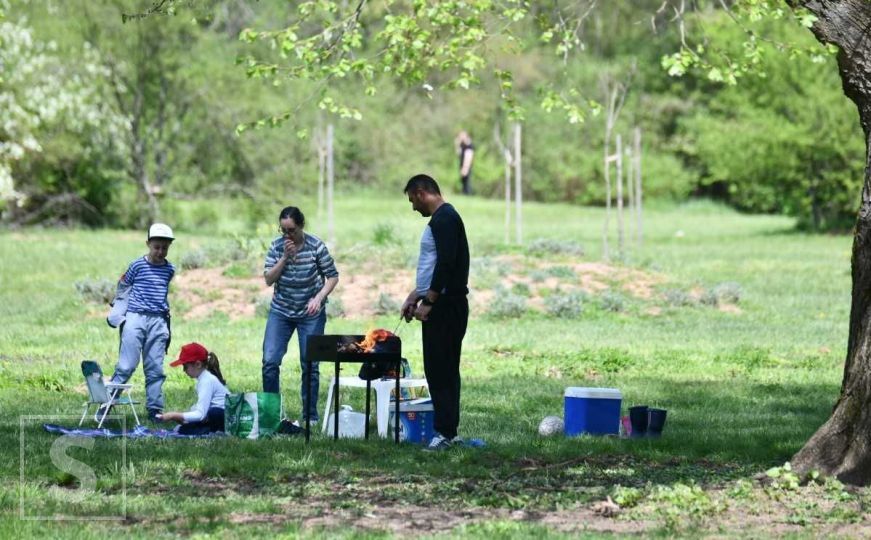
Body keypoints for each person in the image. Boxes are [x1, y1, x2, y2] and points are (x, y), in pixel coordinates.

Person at [401, 174, 470, 451]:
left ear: (421, 193)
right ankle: (449, 431)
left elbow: (446, 264)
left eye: (412, 201)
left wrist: (428, 301)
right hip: (441, 301)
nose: (413, 207)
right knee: (442, 368)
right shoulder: (443, 219)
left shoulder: (444, 219)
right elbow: (432, 266)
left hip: (445, 306)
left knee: (441, 369)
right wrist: (415, 294)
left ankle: (443, 433)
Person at [262, 206, 339, 424]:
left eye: (292, 230)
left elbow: (332, 276)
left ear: (301, 226)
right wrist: (285, 257)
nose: (288, 235)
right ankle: (271, 415)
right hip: (281, 310)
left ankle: (310, 416)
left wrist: (319, 298)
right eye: (283, 231)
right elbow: (268, 279)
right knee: (270, 361)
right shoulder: (277, 247)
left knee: (310, 363)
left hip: (310, 313)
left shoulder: (316, 246)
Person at [105, 223, 176, 422]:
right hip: (135, 317)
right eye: (156, 247)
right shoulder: (137, 265)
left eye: (165, 247)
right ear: (148, 244)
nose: (160, 251)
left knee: (155, 367)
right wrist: (119, 309)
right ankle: (107, 403)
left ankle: (154, 409)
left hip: (158, 321)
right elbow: (124, 285)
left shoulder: (169, 269)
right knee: (127, 365)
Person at [158, 342, 229, 435]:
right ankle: (207, 430)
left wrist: (173, 415)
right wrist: (182, 418)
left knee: (186, 429)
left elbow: (200, 414)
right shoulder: (204, 378)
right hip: (218, 417)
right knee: (183, 428)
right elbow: (200, 409)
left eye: (185, 366)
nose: (184, 371)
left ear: (198, 364)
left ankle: (213, 431)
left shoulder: (207, 381)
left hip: (225, 418)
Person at [455, 130, 475, 195]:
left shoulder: (469, 145)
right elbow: (458, 153)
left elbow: (468, 157)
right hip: (462, 165)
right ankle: (464, 194)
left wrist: (465, 167)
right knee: (463, 181)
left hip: (466, 166)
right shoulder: (462, 145)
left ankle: (468, 194)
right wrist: (457, 144)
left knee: (467, 182)